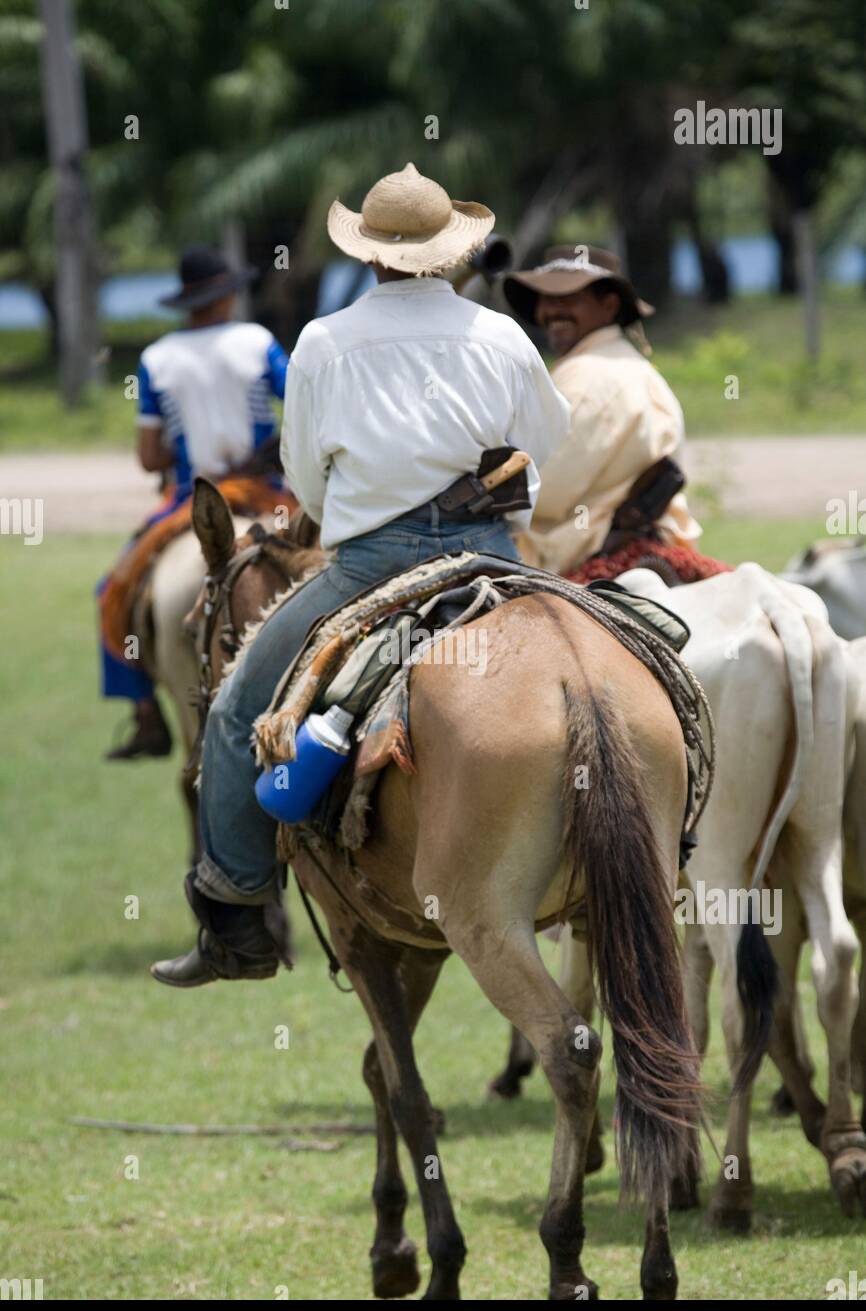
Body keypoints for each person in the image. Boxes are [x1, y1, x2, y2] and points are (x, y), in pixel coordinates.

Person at [151, 162, 570, 987]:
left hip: (373, 565)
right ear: (452, 255)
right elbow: (545, 448)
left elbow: (304, 482)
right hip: (494, 555)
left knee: (238, 710)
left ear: (370, 256)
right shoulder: (503, 336)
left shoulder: (323, 341)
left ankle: (236, 915)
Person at [99, 245, 290, 759]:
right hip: (264, 491)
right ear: (227, 296)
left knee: (112, 590)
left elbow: (147, 456)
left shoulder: (156, 359)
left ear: (187, 303)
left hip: (190, 498)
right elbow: (304, 403)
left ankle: (145, 716)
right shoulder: (256, 341)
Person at [502, 245, 729, 583]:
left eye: (567, 299)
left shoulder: (586, 377)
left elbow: (540, 494)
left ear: (608, 306)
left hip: (579, 551)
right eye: (546, 298)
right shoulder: (638, 368)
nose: (551, 310)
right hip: (649, 540)